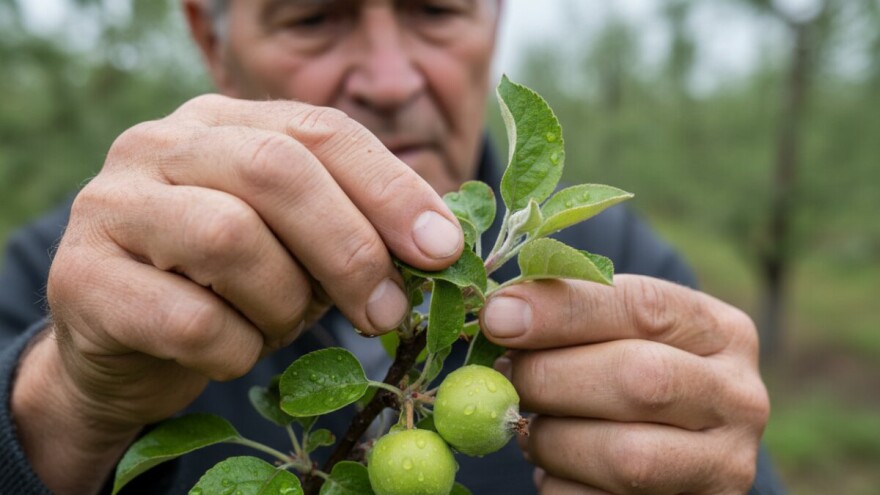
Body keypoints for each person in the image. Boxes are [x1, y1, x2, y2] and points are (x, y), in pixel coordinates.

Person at [0, 1, 785, 494]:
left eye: (435, 10)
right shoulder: (77, 275)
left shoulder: (611, 274)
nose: (388, 77)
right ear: (211, 35)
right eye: (314, 18)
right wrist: (66, 407)